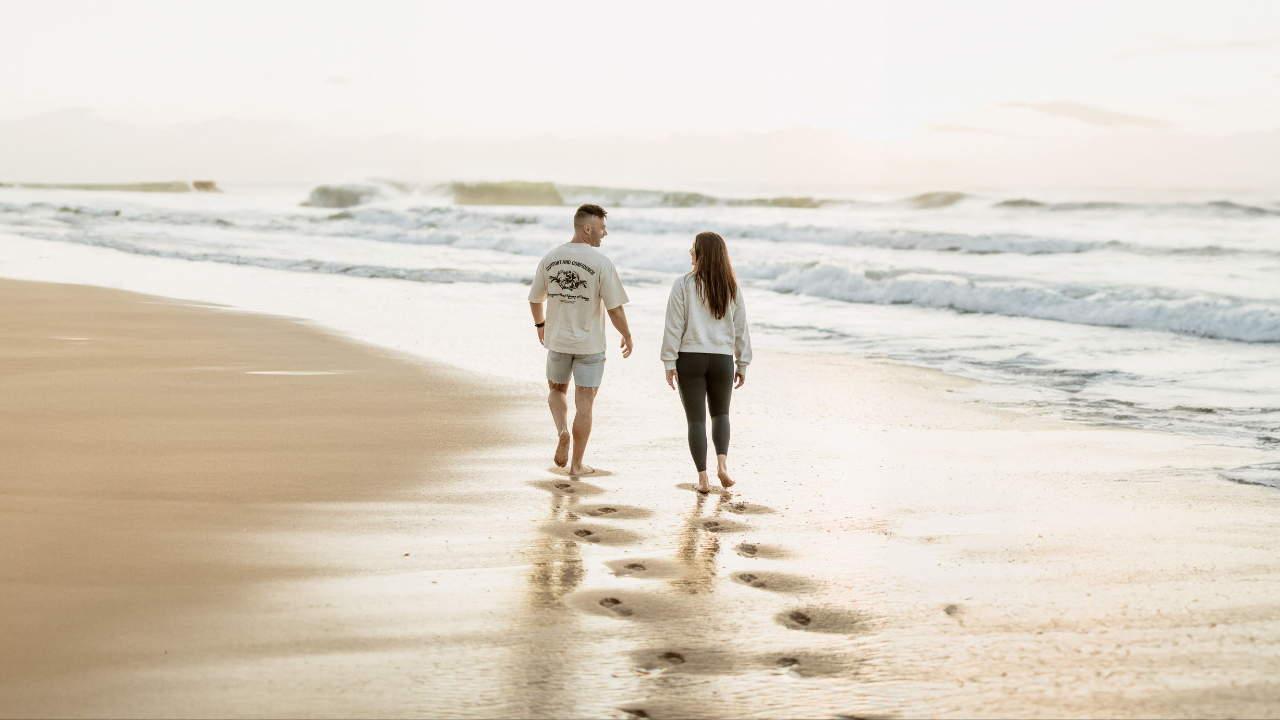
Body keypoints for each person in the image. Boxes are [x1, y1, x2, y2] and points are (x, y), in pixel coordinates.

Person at [529, 203, 633, 475]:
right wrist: (627, 334)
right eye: (602, 228)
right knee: (585, 403)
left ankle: (562, 431)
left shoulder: (551, 257)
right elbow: (614, 309)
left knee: (556, 391)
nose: (605, 233)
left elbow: (535, 298)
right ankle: (576, 465)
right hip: (590, 346)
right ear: (588, 228)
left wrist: (540, 325)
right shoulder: (602, 263)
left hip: (558, 341)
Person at [660, 231, 752, 493]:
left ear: (703, 252)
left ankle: (703, 479)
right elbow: (741, 330)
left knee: (696, 420)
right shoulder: (731, 287)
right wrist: (742, 363)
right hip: (722, 360)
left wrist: (669, 361)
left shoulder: (683, 284)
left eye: (693, 247)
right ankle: (723, 465)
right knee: (721, 414)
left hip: (690, 358)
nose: (690, 252)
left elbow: (674, 326)